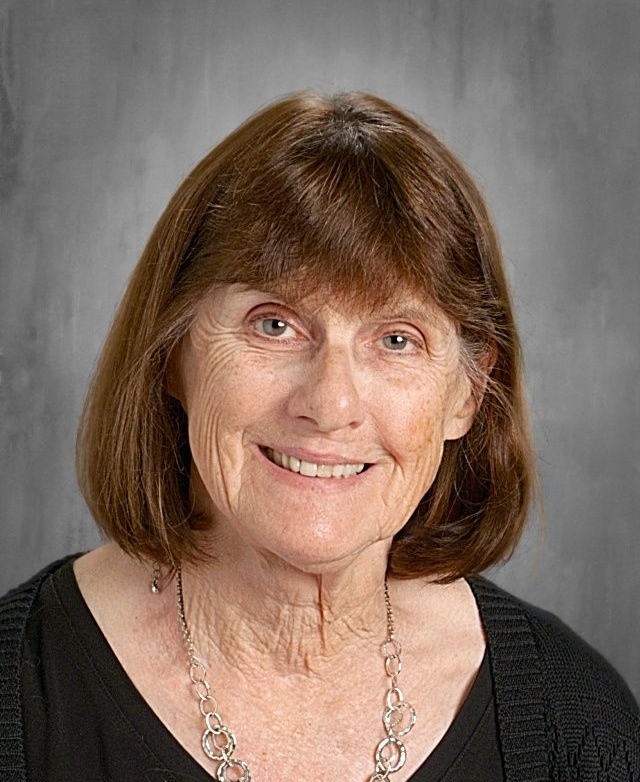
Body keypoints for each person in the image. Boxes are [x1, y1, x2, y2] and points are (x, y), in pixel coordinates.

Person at [0, 91, 638, 782]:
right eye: (274, 324)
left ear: (467, 394)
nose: (331, 405)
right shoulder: (18, 695)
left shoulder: (579, 727)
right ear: (172, 355)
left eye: (397, 339)